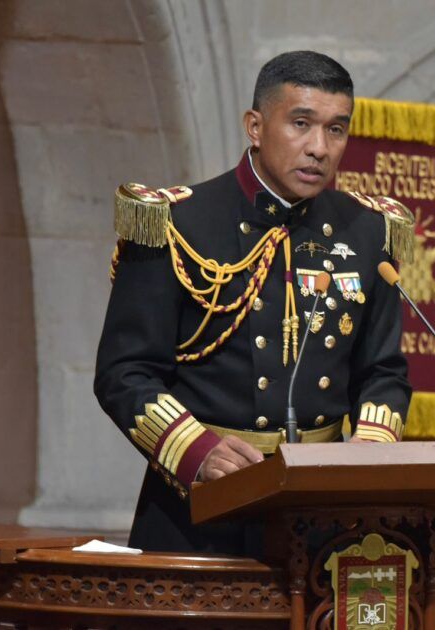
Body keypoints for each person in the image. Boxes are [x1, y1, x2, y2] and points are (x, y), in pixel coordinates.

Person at [94, 51, 413, 555]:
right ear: (256, 126)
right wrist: (196, 453)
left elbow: (385, 372)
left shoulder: (369, 231)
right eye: (301, 124)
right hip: (197, 508)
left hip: (321, 519)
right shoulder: (176, 222)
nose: (319, 148)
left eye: (336, 130)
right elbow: (124, 373)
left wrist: (369, 454)